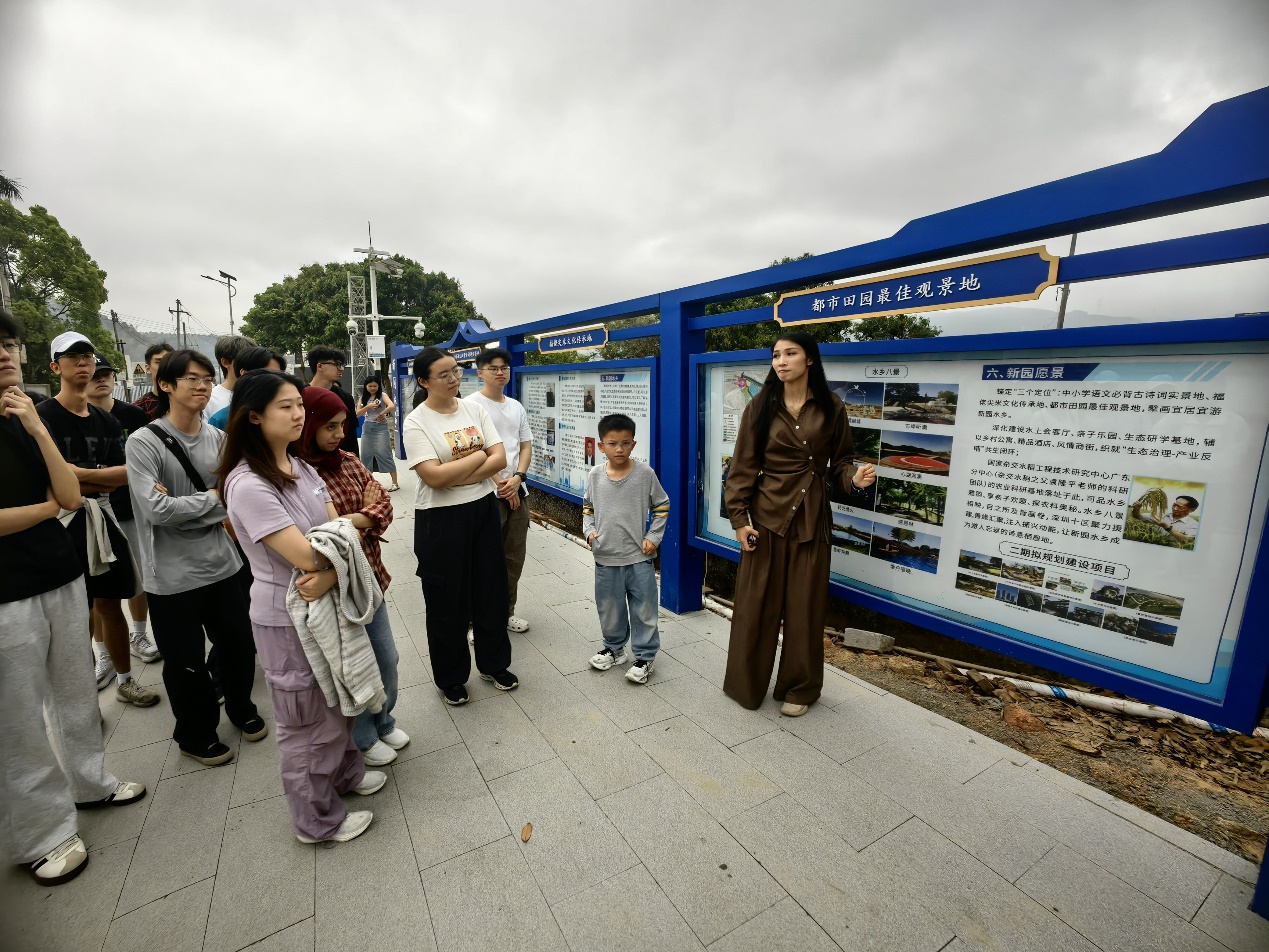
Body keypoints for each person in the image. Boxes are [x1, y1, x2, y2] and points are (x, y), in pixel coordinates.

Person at [0, 308, 147, 887]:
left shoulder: (27, 419)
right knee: (18, 718)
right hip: (6, 596)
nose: (4, 354)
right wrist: (46, 508)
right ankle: (42, 834)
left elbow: (66, 490)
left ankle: (90, 783)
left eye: (8, 344)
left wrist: (37, 430)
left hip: (59, 575)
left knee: (74, 692)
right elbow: (58, 502)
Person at [220, 370, 381, 844]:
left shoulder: (300, 465)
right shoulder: (248, 484)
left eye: (299, 405)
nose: (298, 415)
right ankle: (315, 820)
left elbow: (338, 531)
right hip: (285, 616)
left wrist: (333, 571)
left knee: (339, 694)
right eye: (286, 407)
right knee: (305, 719)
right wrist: (332, 562)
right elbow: (306, 555)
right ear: (254, 417)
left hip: (322, 598)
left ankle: (345, 775)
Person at [723, 332, 876, 716]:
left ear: (810, 360)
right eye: (776, 355)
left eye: (791, 353)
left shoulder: (831, 406)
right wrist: (740, 521)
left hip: (812, 518)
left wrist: (853, 478)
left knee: (805, 608)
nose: (781, 361)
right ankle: (746, 684)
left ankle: (800, 689)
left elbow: (840, 461)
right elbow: (741, 469)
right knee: (755, 605)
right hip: (766, 516)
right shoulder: (758, 407)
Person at [127, 349, 266, 766]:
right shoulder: (143, 442)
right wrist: (210, 499)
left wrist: (193, 505)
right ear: (165, 385)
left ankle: (241, 708)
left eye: (207, 378)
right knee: (185, 662)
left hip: (224, 564)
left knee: (239, 645)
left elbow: (236, 497)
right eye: (191, 378)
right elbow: (154, 510)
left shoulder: (219, 439)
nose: (202, 385)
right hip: (171, 576)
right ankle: (196, 733)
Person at [37, 331, 159, 708]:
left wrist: (76, 473)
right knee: (76, 609)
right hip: (60, 521)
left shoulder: (106, 421)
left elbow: (128, 473)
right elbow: (48, 482)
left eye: (87, 355)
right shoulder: (42, 418)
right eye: (72, 357)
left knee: (109, 601)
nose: (83, 362)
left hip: (103, 515)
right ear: (56, 366)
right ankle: (83, 694)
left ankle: (125, 680)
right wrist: (89, 476)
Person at [297, 385, 410, 767]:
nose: (338, 434)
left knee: (387, 658)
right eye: (329, 426)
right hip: (331, 586)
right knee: (352, 665)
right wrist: (361, 518)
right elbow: (314, 535)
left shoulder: (348, 459)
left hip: (369, 576)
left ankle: (384, 720)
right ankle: (361, 737)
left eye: (343, 425)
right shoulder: (297, 471)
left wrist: (346, 524)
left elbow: (384, 504)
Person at [403, 347, 517, 705]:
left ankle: (493, 663)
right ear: (423, 381)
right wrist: (478, 458)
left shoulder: (474, 408)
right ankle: (451, 676)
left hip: (482, 508)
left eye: (456, 371)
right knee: (446, 601)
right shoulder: (416, 421)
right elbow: (433, 479)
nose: (454, 379)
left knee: (490, 590)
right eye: (444, 374)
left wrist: (462, 470)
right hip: (440, 519)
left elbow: (499, 457)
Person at [583, 414, 670, 685]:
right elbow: (588, 508)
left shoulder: (645, 474)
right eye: (612, 443)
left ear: (634, 444)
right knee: (609, 607)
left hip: (639, 557)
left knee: (644, 608)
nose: (619, 449)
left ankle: (644, 657)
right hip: (606, 555)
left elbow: (662, 505)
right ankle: (614, 648)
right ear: (601, 446)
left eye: (625, 443)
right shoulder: (595, 475)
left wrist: (653, 537)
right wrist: (589, 531)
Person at [86, 355, 161, 666]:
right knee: (99, 588)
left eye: (106, 374)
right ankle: (102, 653)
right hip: (91, 513)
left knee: (139, 579)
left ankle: (139, 634)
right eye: (95, 375)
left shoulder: (134, 415)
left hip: (132, 508)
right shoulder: (67, 418)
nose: (101, 379)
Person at [465, 348, 533, 633]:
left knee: (513, 556)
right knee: (482, 558)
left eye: (504, 367)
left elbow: (526, 444)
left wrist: (517, 477)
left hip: (518, 490)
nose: (501, 372)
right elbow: (474, 449)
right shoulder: (470, 405)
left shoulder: (516, 406)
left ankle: (506, 612)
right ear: (480, 371)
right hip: (485, 493)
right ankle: (474, 620)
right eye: (493, 368)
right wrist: (501, 483)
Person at [207, 347, 285, 431]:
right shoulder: (221, 420)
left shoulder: (287, 414)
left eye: (279, 375)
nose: (276, 380)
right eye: (267, 374)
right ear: (244, 374)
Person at [306, 345, 358, 454]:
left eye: (342, 365)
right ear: (320, 366)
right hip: (306, 459)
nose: (341, 369)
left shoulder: (346, 398)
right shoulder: (300, 396)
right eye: (337, 364)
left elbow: (350, 436)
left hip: (337, 459)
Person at [356, 376, 400, 492]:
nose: (372, 388)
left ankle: (395, 483)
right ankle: (367, 483)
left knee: (385, 453)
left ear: (378, 386)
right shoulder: (363, 398)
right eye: (370, 386)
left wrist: (381, 414)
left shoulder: (383, 395)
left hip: (381, 427)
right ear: (366, 386)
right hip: (367, 428)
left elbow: (391, 405)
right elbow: (358, 413)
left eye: (375, 386)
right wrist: (368, 406)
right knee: (365, 455)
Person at [204, 334, 258, 421]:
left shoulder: (261, 395)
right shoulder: (209, 400)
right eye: (245, 360)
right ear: (225, 362)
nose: (251, 366)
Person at [1132, 493, 1200, 546]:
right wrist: (1136, 509)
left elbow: (1188, 541)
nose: (1175, 508)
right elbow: (1138, 517)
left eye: (1180, 507)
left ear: (1192, 510)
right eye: (1174, 505)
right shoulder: (1161, 514)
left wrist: (1167, 527)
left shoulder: (1194, 525)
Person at [132, 341, 174, 420]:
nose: (165, 366)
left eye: (169, 362)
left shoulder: (187, 402)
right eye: (159, 362)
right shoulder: (138, 408)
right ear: (148, 368)